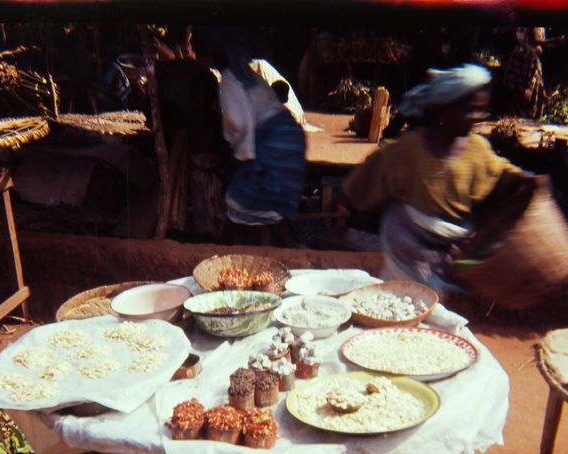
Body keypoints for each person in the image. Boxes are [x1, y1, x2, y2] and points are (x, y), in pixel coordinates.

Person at [340, 63, 529, 293]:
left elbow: (502, 174)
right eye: (469, 110)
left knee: (445, 301)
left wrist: (528, 180)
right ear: (443, 110)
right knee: (405, 299)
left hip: (452, 246)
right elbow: (369, 177)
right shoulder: (408, 149)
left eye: (480, 110)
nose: (476, 117)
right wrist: (348, 198)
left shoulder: (478, 149)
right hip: (409, 243)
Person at [194, 27, 320, 246]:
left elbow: (240, 124)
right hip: (284, 140)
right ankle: (293, 254)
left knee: (241, 202)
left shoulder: (231, 81)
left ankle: (220, 256)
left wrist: (240, 159)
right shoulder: (245, 76)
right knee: (267, 207)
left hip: (272, 143)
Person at [502, 27, 547, 119]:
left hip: (528, 81)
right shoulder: (521, 51)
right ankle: (518, 117)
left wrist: (530, 87)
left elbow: (534, 73)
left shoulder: (532, 54)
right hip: (521, 81)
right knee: (518, 99)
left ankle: (529, 116)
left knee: (531, 98)